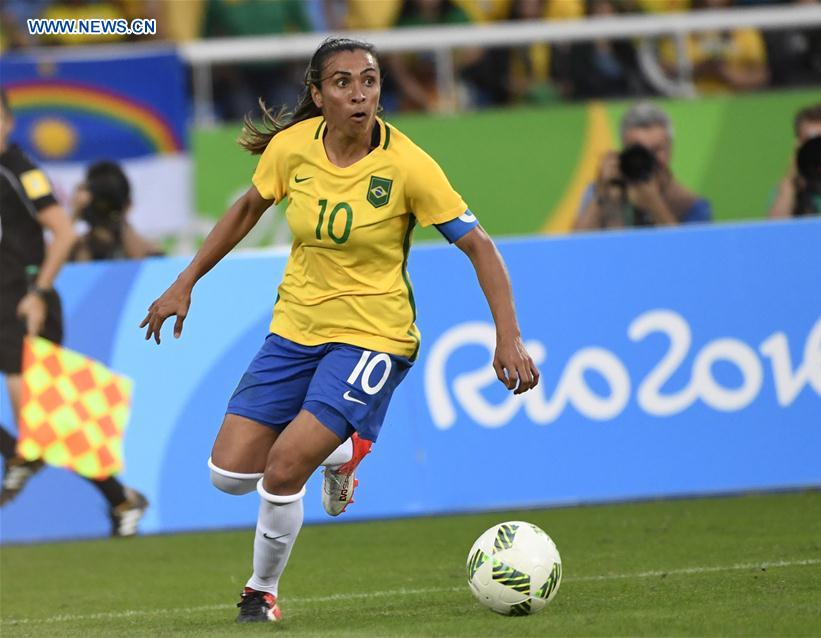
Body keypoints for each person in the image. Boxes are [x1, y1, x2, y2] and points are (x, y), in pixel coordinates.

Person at [140, 37, 540, 623]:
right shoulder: (292, 148)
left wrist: (507, 335)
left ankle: (260, 593)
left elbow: (478, 246)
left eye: (370, 81)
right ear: (318, 94)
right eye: (344, 82)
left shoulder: (408, 164)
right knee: (228, 476)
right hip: (295, 327)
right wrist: (186, 280)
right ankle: (344, 454)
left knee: (283, 469)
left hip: (375, 334)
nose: (360, 94)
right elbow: (248, 208)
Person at [0, 89, 149, 536]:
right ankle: (117, 498)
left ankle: (27, 460)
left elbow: (62, 233)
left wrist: (39, 292)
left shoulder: (21, 173)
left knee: (45, 422)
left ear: (7, 121)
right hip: (6, 298)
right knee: (49, 426)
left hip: (24, 301)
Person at [572, 101, 712, 230]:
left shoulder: (688, 204)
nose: (649, 158)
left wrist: (655, 205)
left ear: (670, 150)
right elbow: (575, 248)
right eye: (639, 151)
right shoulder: (605, 190)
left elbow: (688, 253)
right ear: (624, 151)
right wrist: (602, 196)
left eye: (656, 150)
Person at [69, 160, 163, 261]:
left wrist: (119, 216)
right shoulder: (82, 248)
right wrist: (75, 213)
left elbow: (142, 261)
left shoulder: (143, 247)